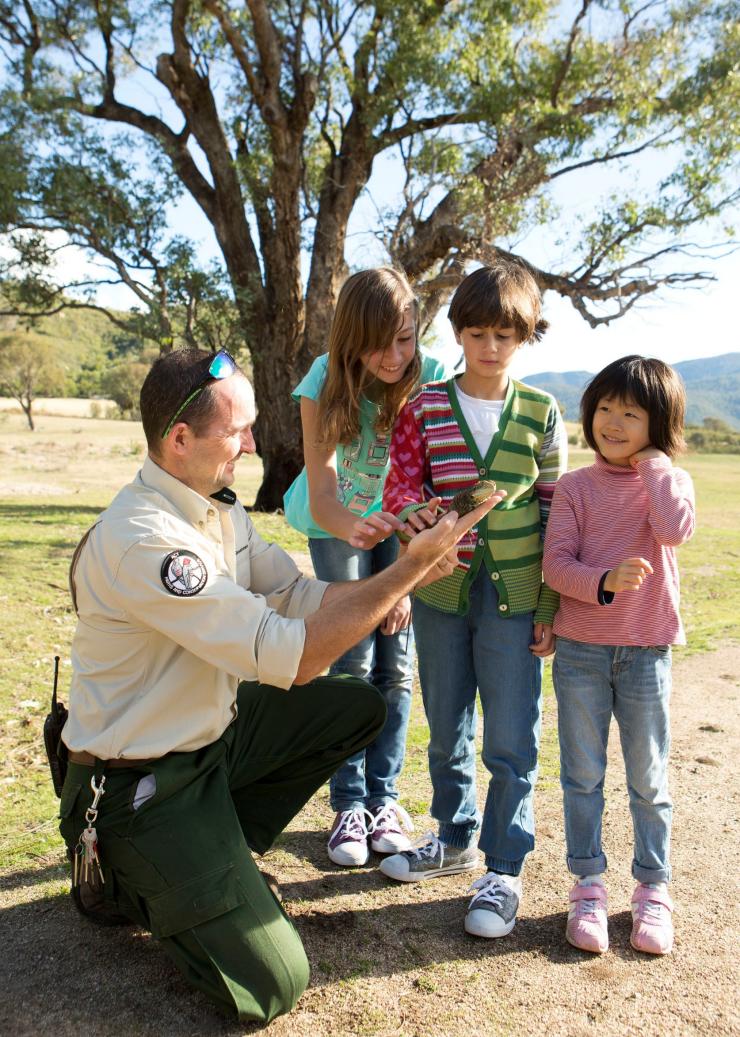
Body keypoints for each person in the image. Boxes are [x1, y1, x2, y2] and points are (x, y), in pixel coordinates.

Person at [57, 346, 500, 1024]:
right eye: (236, 430)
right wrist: (405, 575)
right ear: (180, 440)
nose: (253, 443)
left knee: (355, 705)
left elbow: (295, 592)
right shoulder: (147, 540)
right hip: (136, 785)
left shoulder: (216, 507)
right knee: (276, 982)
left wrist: (397, 572)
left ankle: (217, 859)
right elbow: (291, 656)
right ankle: (123, 881)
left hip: (207, 743)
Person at [379, 261, 567, 939]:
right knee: (446, 719)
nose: (491, 346)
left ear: (526, 337)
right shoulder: (425, 405)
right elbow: (399, 487)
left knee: (512, 735)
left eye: (506, 334)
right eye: (479, 331)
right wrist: (421, 516)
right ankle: (453, 838)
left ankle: (504, 866)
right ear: (457, 332)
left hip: (516, 597)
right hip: (439, 589)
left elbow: (557, 516)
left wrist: (549, 607)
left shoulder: (542, 412)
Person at [283, 267, 451, 867]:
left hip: (406, 522)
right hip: (338, 522)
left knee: (396, 659)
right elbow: (325, 489)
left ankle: (385, 800)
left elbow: (435, 479)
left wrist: (404, 571)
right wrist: (352, 527)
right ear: (351, 337)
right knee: (349, 653)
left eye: (405, 338)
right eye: (380, 343)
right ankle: (348, 803)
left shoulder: (431, 377)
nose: (395, 355)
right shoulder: (324, 380)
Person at [542, 355, 695, 956]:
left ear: (659, 422)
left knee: (648, 779)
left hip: (646, 653)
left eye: (631, 413)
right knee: (582, 775)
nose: (612, 421)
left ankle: (652, 890)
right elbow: (558, 566)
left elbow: (675, 530)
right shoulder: (576, 486)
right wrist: (603, 580)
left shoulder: (669, 480)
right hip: (580, 650)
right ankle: (588, 887)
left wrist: (655, 465)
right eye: (604, 408)